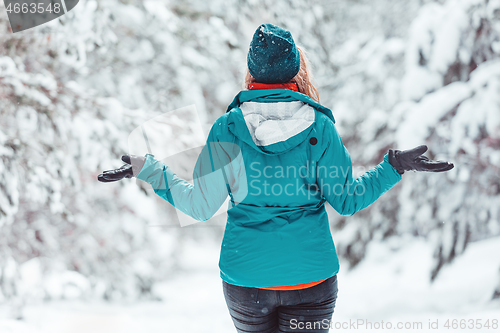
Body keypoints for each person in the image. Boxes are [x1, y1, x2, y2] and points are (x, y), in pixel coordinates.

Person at [98, 23, 454, 333]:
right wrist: (393, 167)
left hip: (247, 280)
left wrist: (149, 168)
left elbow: (200, 206)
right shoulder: (320, 128)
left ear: (251, 72)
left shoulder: (227, 129)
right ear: (296, 70)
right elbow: (348, 200)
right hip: (311, 277)